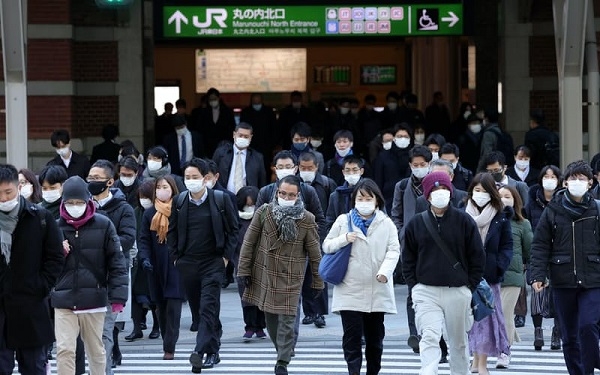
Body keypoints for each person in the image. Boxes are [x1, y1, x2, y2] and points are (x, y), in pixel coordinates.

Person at [237, 175, 323, 375]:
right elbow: (248, 243)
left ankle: (282, 361)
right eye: (283, 193)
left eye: (291, 194)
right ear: (277, 192)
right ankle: (281, 351)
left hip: (292, 276)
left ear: (298, 195)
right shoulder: (264, 212)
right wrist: (243, 270)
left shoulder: (307, 219)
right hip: (266, 273)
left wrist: (318, 281)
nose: (286, 197)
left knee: (287, 320)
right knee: (272, 322)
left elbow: (315, 253)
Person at [403, 171, 485, 375]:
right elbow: (408, 259)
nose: (440, 193)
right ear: (427, 195)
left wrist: (469, 286)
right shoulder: (416, 223)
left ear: (450, 191)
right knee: (429, 335)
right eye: (435, 189)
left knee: (458, 342)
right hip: (426, 291)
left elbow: (477, 256)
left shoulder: (464, 221)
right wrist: (415, 286)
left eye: (444, 189)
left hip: (458, 291)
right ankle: (428, 371)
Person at [168, 157, 239, 373]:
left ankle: (200, 352)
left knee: (208, 307)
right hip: (187, 263)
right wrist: (175, 258)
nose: (191, 181)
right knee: (200, 312)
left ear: (206, 178)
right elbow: (171, 232)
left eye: (195, 177)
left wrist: (225, 258)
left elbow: (234, 230)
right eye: (187, 177)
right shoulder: (179, 201)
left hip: (213, 263)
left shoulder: (220, 200)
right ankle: (214, 349)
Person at [530, 160, 600, 375]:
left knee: (587, 326)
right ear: (565, 182)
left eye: (581, 179)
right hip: (563, 279)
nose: (577, 182)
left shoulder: (597, 209)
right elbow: (540, 244)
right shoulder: (554, 210)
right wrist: (537, 275)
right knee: (569, 336)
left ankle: (590, 367)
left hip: (593, 278)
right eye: (572, 178)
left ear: (590, 183)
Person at [323, 178, 400, 375]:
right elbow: (327, 245)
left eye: (368, 198)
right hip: (350, 288)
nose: (364, 202)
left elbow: (394, 251)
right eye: (360, 197)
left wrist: (384, 272)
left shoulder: (387, 223)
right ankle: (353, 372)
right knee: (352, 338)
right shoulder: (343, 221)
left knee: (375, 341)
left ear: (377, 201)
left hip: (377, 288)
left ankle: (373, 372)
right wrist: (343, 239)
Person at [53, 175, 127, 375]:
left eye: (79, 202)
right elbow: (42, 262)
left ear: (88, 201)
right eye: (70, 202)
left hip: (94, 299)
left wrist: (118, 296)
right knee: (65, 350)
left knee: (96, 350)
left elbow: (117, 261)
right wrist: (57, 252)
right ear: (63, 202)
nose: (75, 206)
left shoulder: (104, 224)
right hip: (63, 299)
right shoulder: (54, 227)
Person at [0, 164, 63, 375]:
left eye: (8, 192)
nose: (3, 198)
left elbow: (54, 257)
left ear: (18, 188)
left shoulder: (40, 218)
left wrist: (42, 285)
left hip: (31, 303)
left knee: (34, 366)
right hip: (1, 306)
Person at [86, 159, 137, 371]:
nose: (92, 182)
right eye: (90, 178)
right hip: (86, 276)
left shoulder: (123, 209)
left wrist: (98, 244)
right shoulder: (81, 206)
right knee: (86, 333)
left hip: (112, 275)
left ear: (110, 182)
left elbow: (126, 239)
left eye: (97, 179)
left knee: (104, 330)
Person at [465, 173, 513, 375]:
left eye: (485, 191)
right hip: (467, 277)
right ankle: (476, 360)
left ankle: (482, 364)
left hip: (490, 276)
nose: (480, 195)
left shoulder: (500, 215)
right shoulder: (462, 214)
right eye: (477, 190)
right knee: (471, 321)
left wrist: (499, 265)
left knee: (485, 320)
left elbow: (507, 245)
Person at [138, 176, 185, 360]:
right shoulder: (149, 214)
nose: (161, 190)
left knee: (173, 306)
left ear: (172, 189)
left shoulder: (181, 210)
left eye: (165, 187)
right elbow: (144, 240)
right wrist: (145, 259)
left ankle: (169, 346)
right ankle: (167, 339)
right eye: (158, 187)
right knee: (161, 307)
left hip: (176, 265)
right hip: (155, 266)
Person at [524, 165, 563, 352]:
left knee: (558, 292)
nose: (549, 179)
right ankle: (538, 331)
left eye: (553, 176)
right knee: (537, 291)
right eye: (546, 176)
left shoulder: (563, 202)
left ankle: (557, 331)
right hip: (537, 251)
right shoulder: (531, 203)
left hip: (559, 253)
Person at [298, 152, 336, 328]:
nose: (306, 171)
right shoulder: (293, 185)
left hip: (319, 234)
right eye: (303, 168)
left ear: (316, 167)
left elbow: (331, 208)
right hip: (298, 236)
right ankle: (309, 312)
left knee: (318, 274)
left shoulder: (326, 184)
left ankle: (320, 313)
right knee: (303, 276)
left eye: (309, 168)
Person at [495, 185, 532, 368]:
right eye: (499, 196)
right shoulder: (490, 220)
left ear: (515, 200)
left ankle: (504, 351)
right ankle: (510, 335)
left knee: (504, 313)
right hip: (492, 275)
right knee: (494, 314)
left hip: (513, 276)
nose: (503, 199)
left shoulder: (522, 224)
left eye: (507, 196)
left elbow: (529, 249)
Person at [256, 151, 326, 240]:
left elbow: (319, 221)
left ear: (295, 169)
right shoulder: (265, 192)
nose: (284, 170)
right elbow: (257, 223)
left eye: (288, 167)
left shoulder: (308, 191)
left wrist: (312, 245)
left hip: (300, 246)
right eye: (280, 167)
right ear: (275, 169)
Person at [125, 180, 159, 343]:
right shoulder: (134, 212)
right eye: (142, 196)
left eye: (147, 196)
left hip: (154, 260)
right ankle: (137, 328)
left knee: (154, 297)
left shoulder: (159, 212)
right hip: (136, 261)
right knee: (136, 297)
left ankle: (157, 327)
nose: (144, 199)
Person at [230, 186, 266, 341]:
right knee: (246, 297)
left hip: (261, 263)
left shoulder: (262, 218)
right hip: (241, 264)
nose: (249, 207)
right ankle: (250, 326)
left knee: (261, 296)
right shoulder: (235, 220)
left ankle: (261, 326)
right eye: (246, 204)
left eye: (252, 204)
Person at [212, 122, 267, 193]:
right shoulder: (221, 153)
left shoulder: (257, 157)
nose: (243, 138)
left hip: (248, 200)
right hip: (223, 197)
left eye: (246, 137)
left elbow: (262, 182)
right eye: (240, 135)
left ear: (251, 138)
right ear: (234, 135)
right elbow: (212, 174)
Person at [374, 123, 414, 213]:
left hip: (410, 201)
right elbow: (378, 181)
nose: (402, 139)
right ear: (394, 138)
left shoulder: (415, 156)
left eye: (405, 136)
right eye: (399, 136)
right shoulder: (383, 157)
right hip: (388, 201)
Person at [239, 93, 277, 176]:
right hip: (250, 146)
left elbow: (274, 130)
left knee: (266, 169)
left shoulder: (269, 112)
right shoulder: (246, 112)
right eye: (254, 102)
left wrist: (273, 146)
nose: (256, 104)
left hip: (266, 148)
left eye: (258, 102)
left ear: (262, 100)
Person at [326, 156, 366, 232]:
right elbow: (329, 222)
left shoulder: (370, 192)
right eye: (347, 170)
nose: (351, 173)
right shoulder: (336, 195)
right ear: (343, 172)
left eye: (355, 170)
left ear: (361, 171)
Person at [197, 88, 237, 157]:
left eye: (214, 99)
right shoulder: (204, 113)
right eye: (210, 99)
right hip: (208, 147)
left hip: (224, 146)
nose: (213, 101)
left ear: (218, 98)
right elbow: (201, 129)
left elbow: (232, 128)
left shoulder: (227, 112)